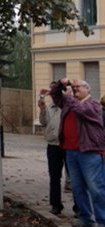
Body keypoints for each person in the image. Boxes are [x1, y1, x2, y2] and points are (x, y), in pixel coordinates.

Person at [50, 78, 105, 227]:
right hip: (71, 152)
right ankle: (85, 218)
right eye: (72, 88)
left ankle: (103, 221)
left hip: (89, 152)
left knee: (96, 188)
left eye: (77, 87)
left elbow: (81, 110)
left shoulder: (93, 105)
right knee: (77, 188)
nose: (74, 90)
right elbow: (55, 94)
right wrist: (61, 83)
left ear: (88, 89)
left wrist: (68, 96)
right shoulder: (69, 103)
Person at [38, 85, 64, 215]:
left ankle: (79, 208)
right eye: (52, 94)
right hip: (53, 145)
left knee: (75, 178)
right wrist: (42, 108)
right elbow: (43, 122)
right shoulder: (50, 107)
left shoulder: (68, 106)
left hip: (68, 146)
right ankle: (55, 204)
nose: (53, 97)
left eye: (55, 94)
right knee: (54, 177)